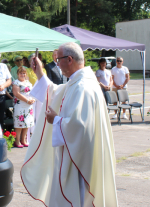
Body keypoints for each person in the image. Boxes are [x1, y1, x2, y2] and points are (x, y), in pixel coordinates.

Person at [21, 42, 118, 207]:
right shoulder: (79, 81)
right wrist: (39, 74)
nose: (57, 64)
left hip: (79, 160)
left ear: (70, 59)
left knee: (78, 198)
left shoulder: (83, 86)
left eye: (58, 60)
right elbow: (56, 91)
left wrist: (56, 120)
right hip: (75, 154)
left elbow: (80, 127)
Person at [12, 66, 35, 148]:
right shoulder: (16, 82)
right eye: (21, 73)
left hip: (28, 105)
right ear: (18, 74)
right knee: (19, 124)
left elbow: (32, 92)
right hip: (20, 105)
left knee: (27, 123)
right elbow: (17, 94)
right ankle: (17, 141)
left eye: (24, 73)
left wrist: (32, 99)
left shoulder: (28, 82)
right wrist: (27, 100)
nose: (23, 74)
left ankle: (24, 140)